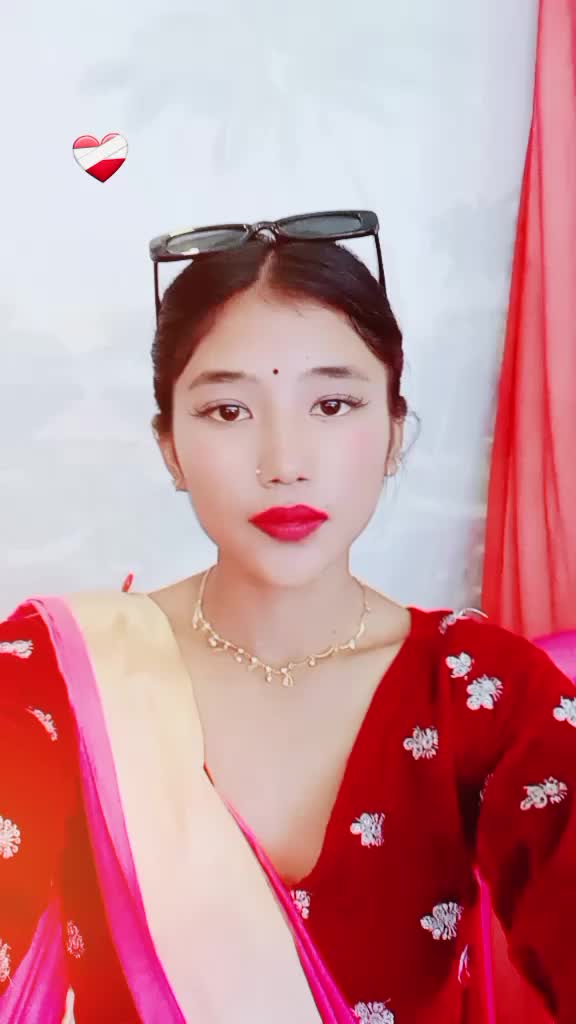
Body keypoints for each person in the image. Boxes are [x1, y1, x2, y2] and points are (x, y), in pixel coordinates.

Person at [1, 212, 575, 1023]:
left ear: (394, 433)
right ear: (170, 447)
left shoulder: (478, 689)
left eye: (333, 404)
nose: (284, 463)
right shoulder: (57, 679)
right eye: (228, 411)